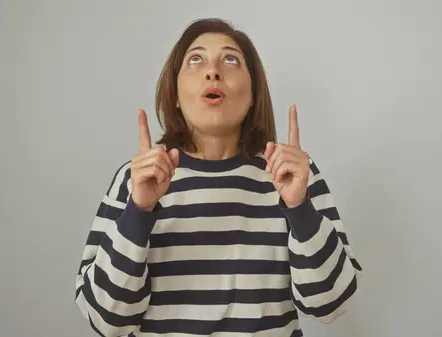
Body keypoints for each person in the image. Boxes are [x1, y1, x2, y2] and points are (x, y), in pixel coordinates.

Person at [74, 18, 363, 337]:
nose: (213, 71)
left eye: (230, 60)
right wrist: (138, 213)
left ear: (253, 93)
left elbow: (330, 304)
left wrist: (299, 208)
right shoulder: (136, 179)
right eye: (195, 59)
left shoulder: (292, 175)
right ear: (175, 95)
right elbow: (105, 319)